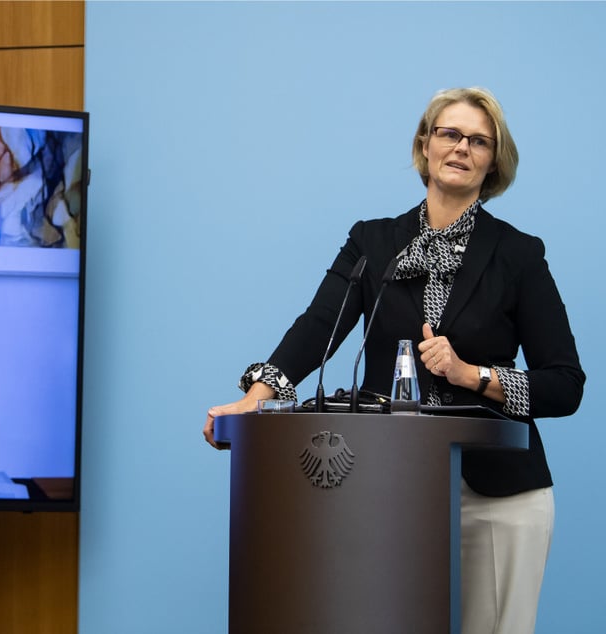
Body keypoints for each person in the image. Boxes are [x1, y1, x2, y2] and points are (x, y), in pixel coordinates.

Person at [203, 87, 584, 633]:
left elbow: (565, 385)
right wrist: (254, 398)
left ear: (494, 161)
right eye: (450, 134)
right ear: (424, 145)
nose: (461, 148)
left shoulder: (519, 254)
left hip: (498, 496)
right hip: (389, 487)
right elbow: (319, 329)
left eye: (479, 141)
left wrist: (471, 375)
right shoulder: (373, 243)